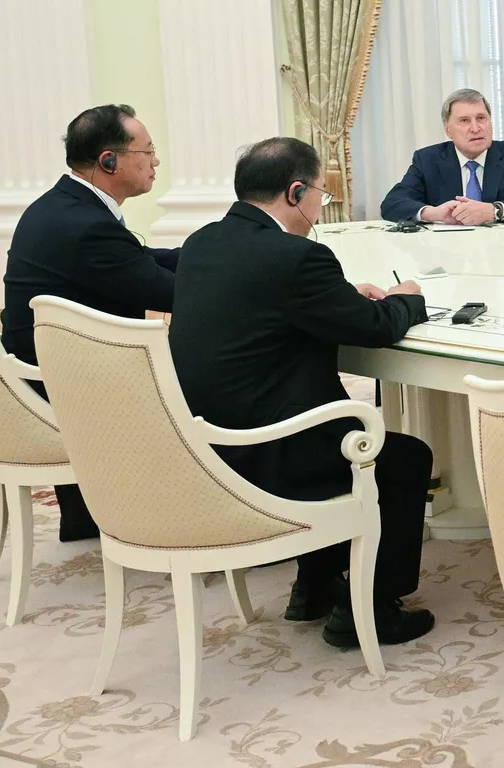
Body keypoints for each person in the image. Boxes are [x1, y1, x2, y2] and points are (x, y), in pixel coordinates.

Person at [170, 137, 435, 649]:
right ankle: (371, 609)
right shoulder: (298, 256)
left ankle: (313, 586)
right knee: (404, 459)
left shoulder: (203, 242)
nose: (319, 205)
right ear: (295, 192)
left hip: (211, 448)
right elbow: (377, 327)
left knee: (330, 429)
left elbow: (265, 302)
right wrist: (408, 299)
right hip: (268, 455)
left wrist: (339, 296)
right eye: (320, 193)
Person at [1, 104, 178, 542]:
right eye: (148, 151)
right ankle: (195, 514)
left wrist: (214, 252)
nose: (156, 161)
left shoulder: (64, 206)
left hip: (45, 369)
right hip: (64, 387)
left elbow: (136, 259)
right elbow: (165, 292)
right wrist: (238, 277)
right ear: (110, 161)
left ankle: (88, 515)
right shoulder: (85, 226)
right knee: (217, 370)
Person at [379, 89, 504, 223]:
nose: (476, 128)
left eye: (481, 118)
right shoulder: (427, 160)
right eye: (464, 121)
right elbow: (392, 203)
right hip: (446, 249)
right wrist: (434, 213)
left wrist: (494, 211)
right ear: (448, 130)